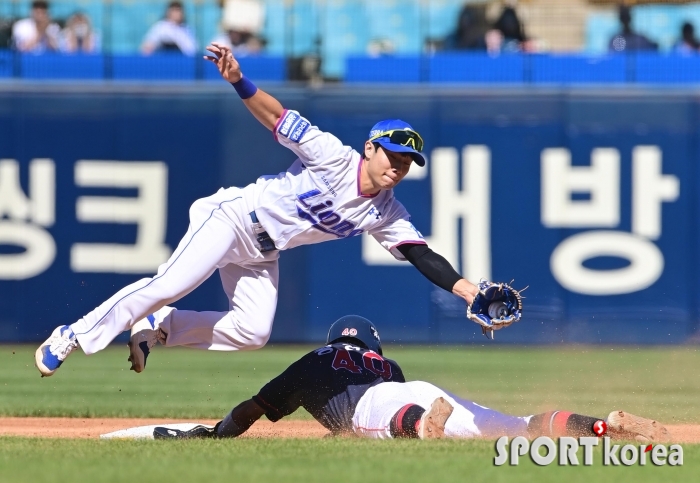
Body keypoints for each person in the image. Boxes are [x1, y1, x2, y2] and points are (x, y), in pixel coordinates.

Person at [34, 41, 494, 378]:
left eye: (407, 162)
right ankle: (72, 334)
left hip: (262, 252)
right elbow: (277, 117)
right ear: (370, 148)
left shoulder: (387, 213)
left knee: (253, 331)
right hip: (233, 217)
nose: (398, 166)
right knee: (169, 283)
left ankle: (161, 327)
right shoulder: (334, 155)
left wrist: (471, 293)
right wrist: (238, 79)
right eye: (392, 154)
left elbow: (422, 256)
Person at [150, 315, 670, 442]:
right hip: (417, 388)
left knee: (396, 425)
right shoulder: (386, 364)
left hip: (376, 407)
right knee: (514, 426)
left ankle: (422, 426)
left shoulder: (313, 360)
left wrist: (216, 433)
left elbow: (252, 409)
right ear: (371, 346)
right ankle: (599, 426)